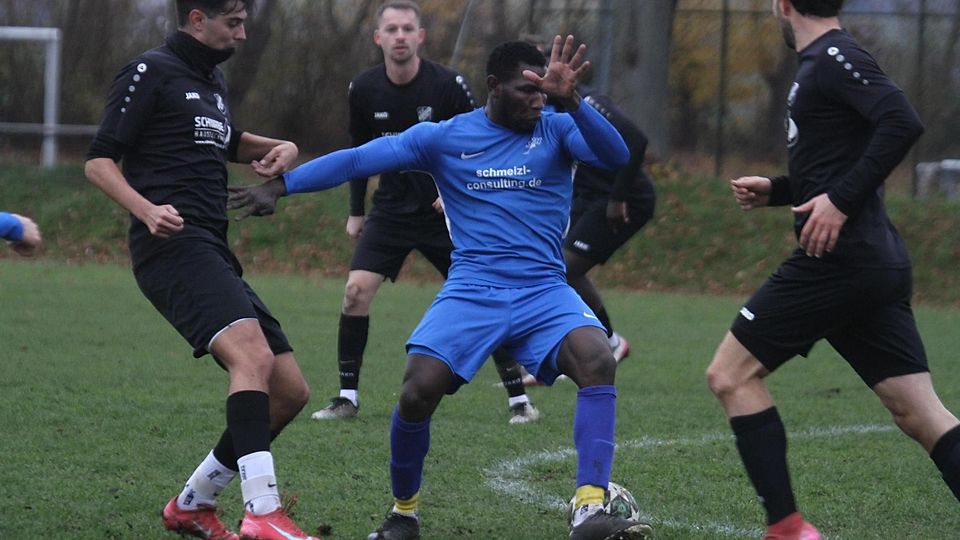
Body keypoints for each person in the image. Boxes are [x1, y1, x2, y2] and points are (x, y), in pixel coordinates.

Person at [230, 36, 653, 540]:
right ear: (494, 87)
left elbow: (615, 153)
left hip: (544, 288)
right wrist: (282, 186)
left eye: (545, 90)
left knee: (596, 359)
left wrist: (573, 101)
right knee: (416, 391)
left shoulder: (558, 128)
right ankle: (403, 514)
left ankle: (589, 509)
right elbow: (360, 158)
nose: (538, 99)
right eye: (527, 89)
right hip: (473, 289)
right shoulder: (445, 137)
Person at [704, 1, 960, 539]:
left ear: (783, 4)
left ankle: (788, 529)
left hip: (840, 262)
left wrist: (839, 202)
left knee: (730, 375)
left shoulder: (835, 55)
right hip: (870, 265)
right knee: (920, 414)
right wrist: (779, 190)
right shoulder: (819, 62)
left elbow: (902, 120)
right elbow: (839, 164)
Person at [84, 2, 319, 539]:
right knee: (253, 357)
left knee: (289, 390)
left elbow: (228, 139)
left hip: (212, 247)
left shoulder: (211, 81)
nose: (242, 31)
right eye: (232, 22)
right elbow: (98, 160)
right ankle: (263, 514)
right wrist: (145, 209)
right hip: (170, 248)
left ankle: (194, 503)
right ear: (197, 19)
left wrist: (282, 146)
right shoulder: (150, 69)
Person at [312, 0, 540, 425]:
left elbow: (480, 141)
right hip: (391, 212)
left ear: (420, 37)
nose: (400, 36)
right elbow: (358, 154)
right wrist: (355, 211)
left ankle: (518, 400)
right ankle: (347, 397)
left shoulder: (449, 84)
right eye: (392, 29)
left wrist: (459, 192)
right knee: (355, 292)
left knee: (486, 296)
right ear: (378, 37)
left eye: (407, 29)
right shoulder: (362, 88)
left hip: (445, 213)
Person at [493, 85, 656, 390]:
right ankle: (556, 356)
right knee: (548, 267)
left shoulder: (587, 102)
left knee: (566, 268)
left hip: (624, 201)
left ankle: (609, 342)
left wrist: (619, 197)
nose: (532, 86)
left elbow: (636, 141)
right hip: (586, 198)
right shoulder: (536, 113)